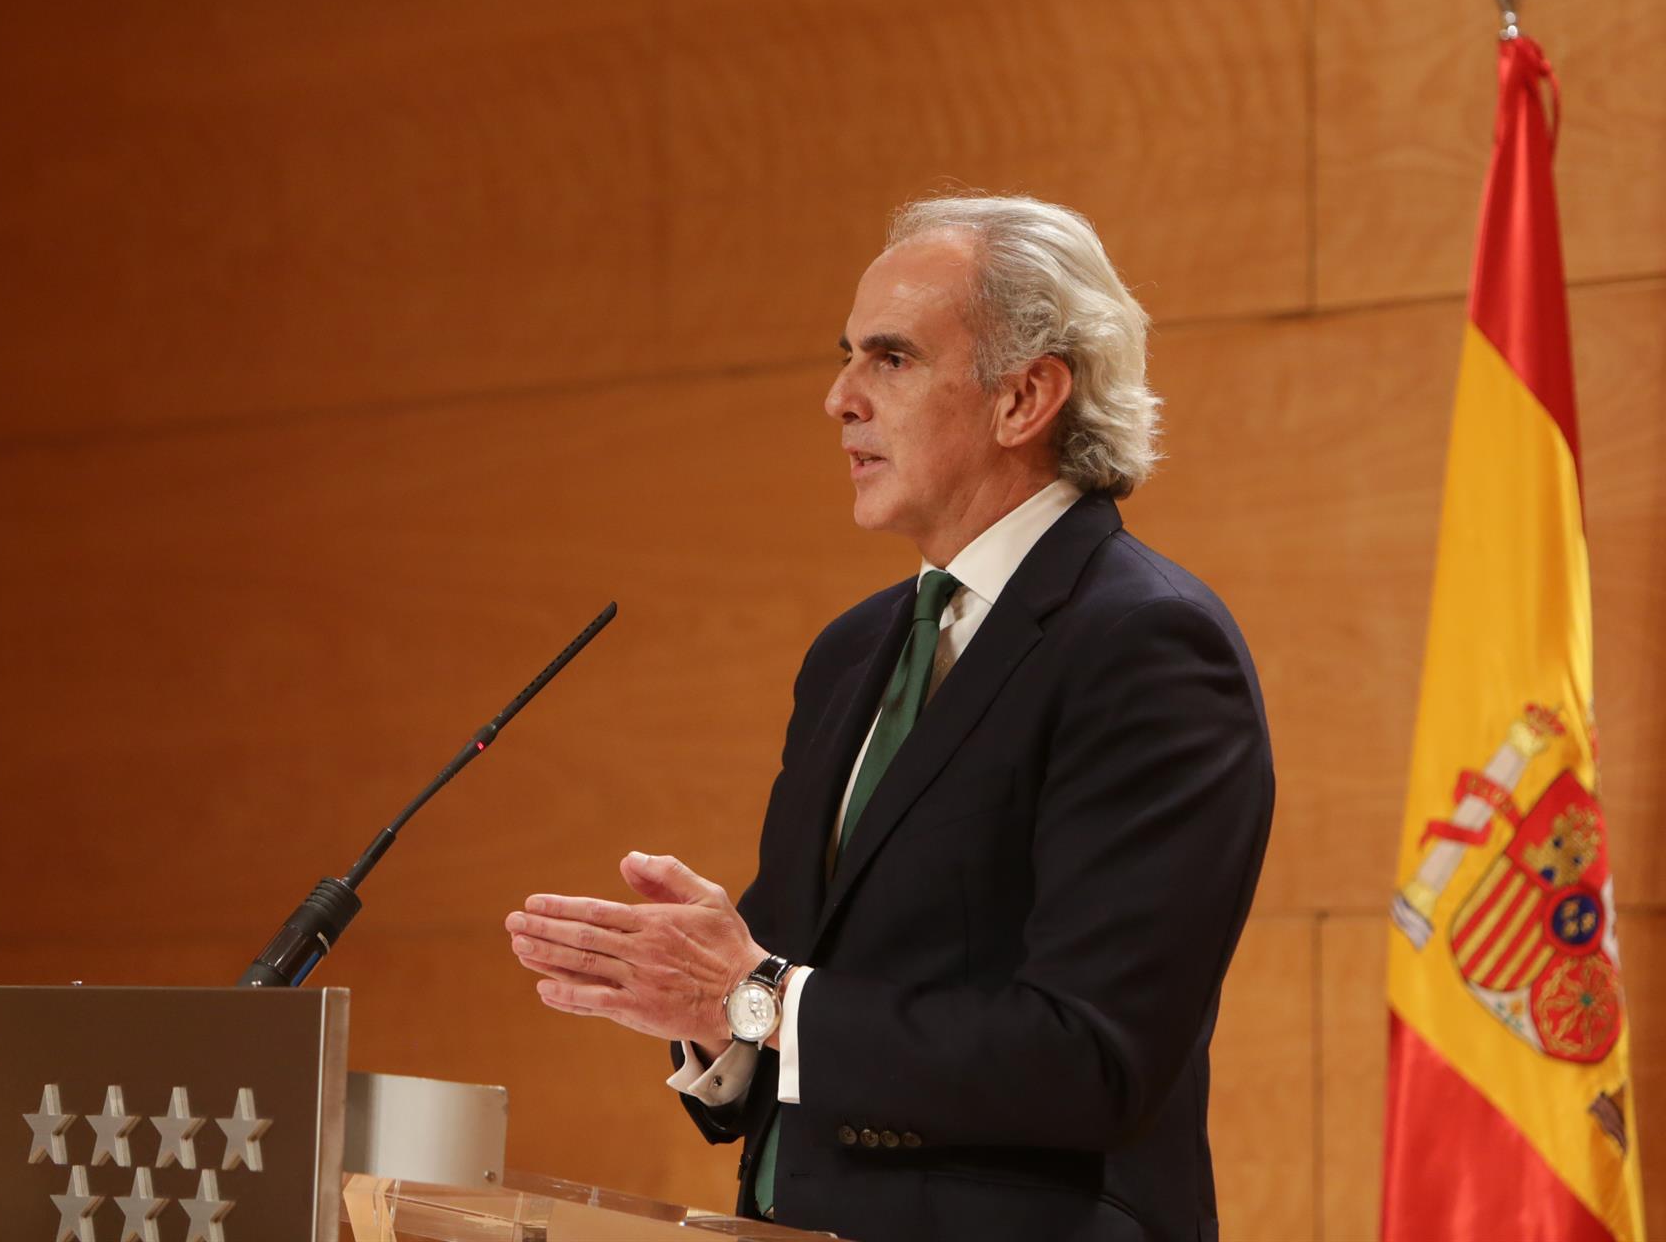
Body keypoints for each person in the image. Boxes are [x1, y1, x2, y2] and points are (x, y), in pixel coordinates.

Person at [505, 195, 1273, 1242]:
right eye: (846, 357)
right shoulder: (852, 653)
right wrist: (714, 1013)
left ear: (1025, 397)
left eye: (892, 358)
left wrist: (757, 994)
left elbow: (1093, 1056)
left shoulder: (1146, 644)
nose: (839, 399)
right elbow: (792, 995)